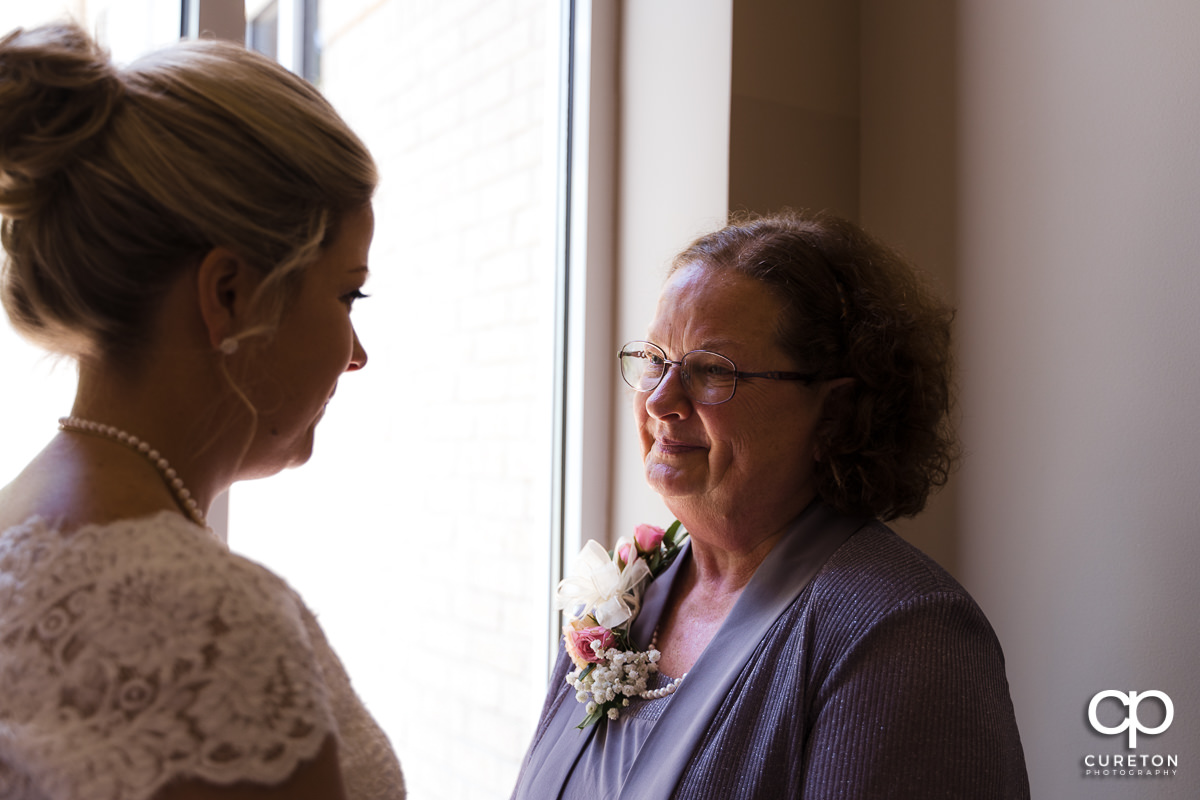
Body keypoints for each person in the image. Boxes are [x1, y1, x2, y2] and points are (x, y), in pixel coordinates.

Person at [0, 23, 403, 800]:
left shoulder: (15, 522)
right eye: (347, 293)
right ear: (230, 295)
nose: (356, 355)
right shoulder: (216, 629)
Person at [512, 210, 1030, 799]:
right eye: (655, 360)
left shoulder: (905, 635)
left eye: (711, 370)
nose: (659, 401)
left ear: (835, 410)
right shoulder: (626, 599)